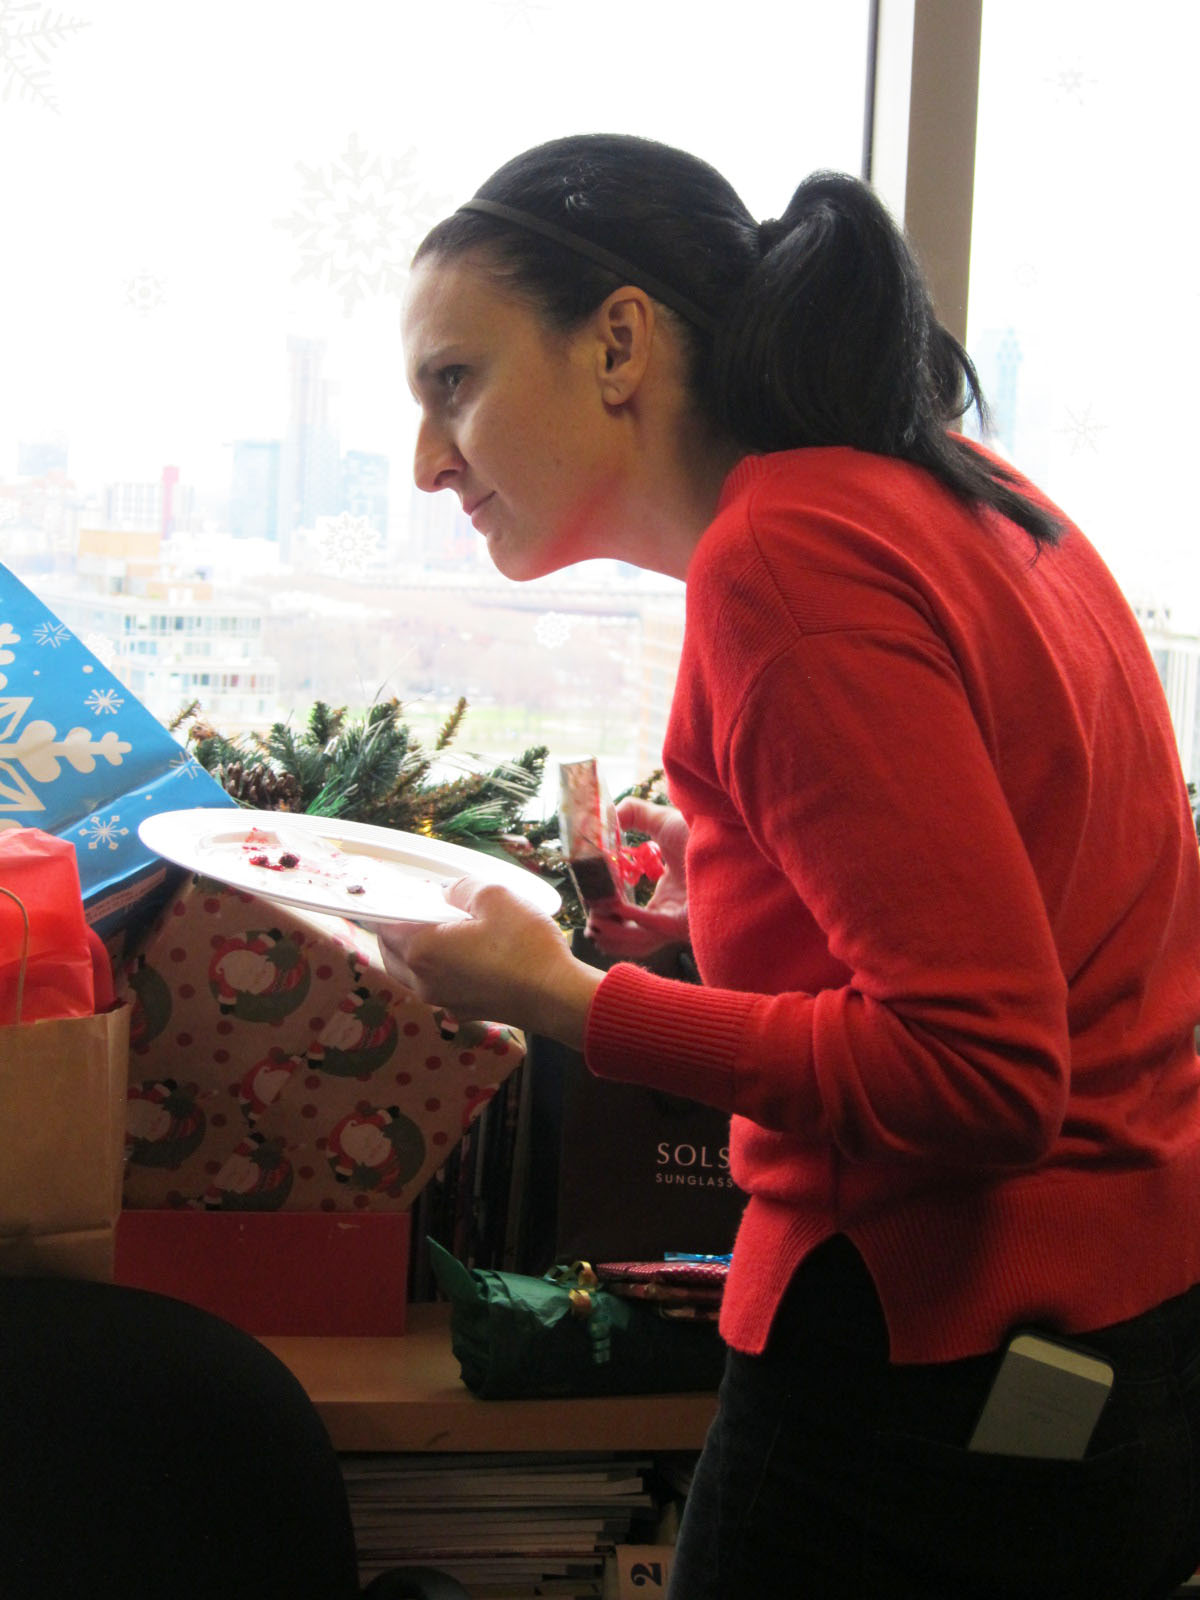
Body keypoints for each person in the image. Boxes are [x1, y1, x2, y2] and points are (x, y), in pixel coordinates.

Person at [381, 133, 1200, 1599]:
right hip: (1119, 1320)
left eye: (456, 380)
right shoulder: (956, 486)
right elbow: (1047, 892)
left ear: (618, 341)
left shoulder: (785, 562)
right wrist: (741, 891)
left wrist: (565, 999)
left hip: (926, 1353)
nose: (431, 460)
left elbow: (983, 1073)